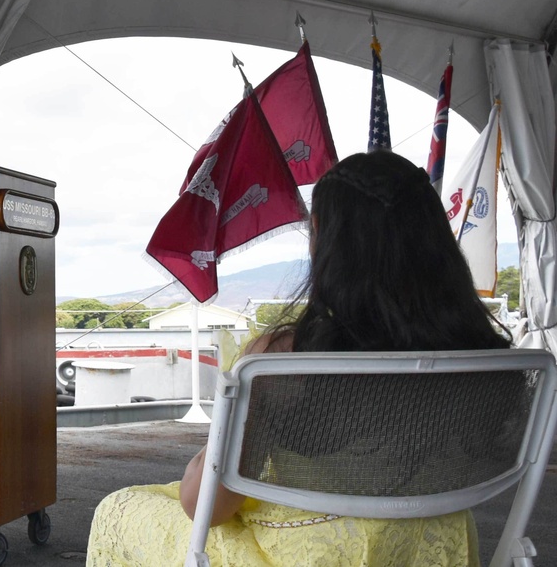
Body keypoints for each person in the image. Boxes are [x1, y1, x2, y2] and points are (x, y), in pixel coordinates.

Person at [86, 150, 512, 566]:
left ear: (325, 240)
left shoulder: (284, 359)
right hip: (433, 543)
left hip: (317, 548)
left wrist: (214, 442)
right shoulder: (488, 358)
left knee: (118, 507)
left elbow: (205, 506)